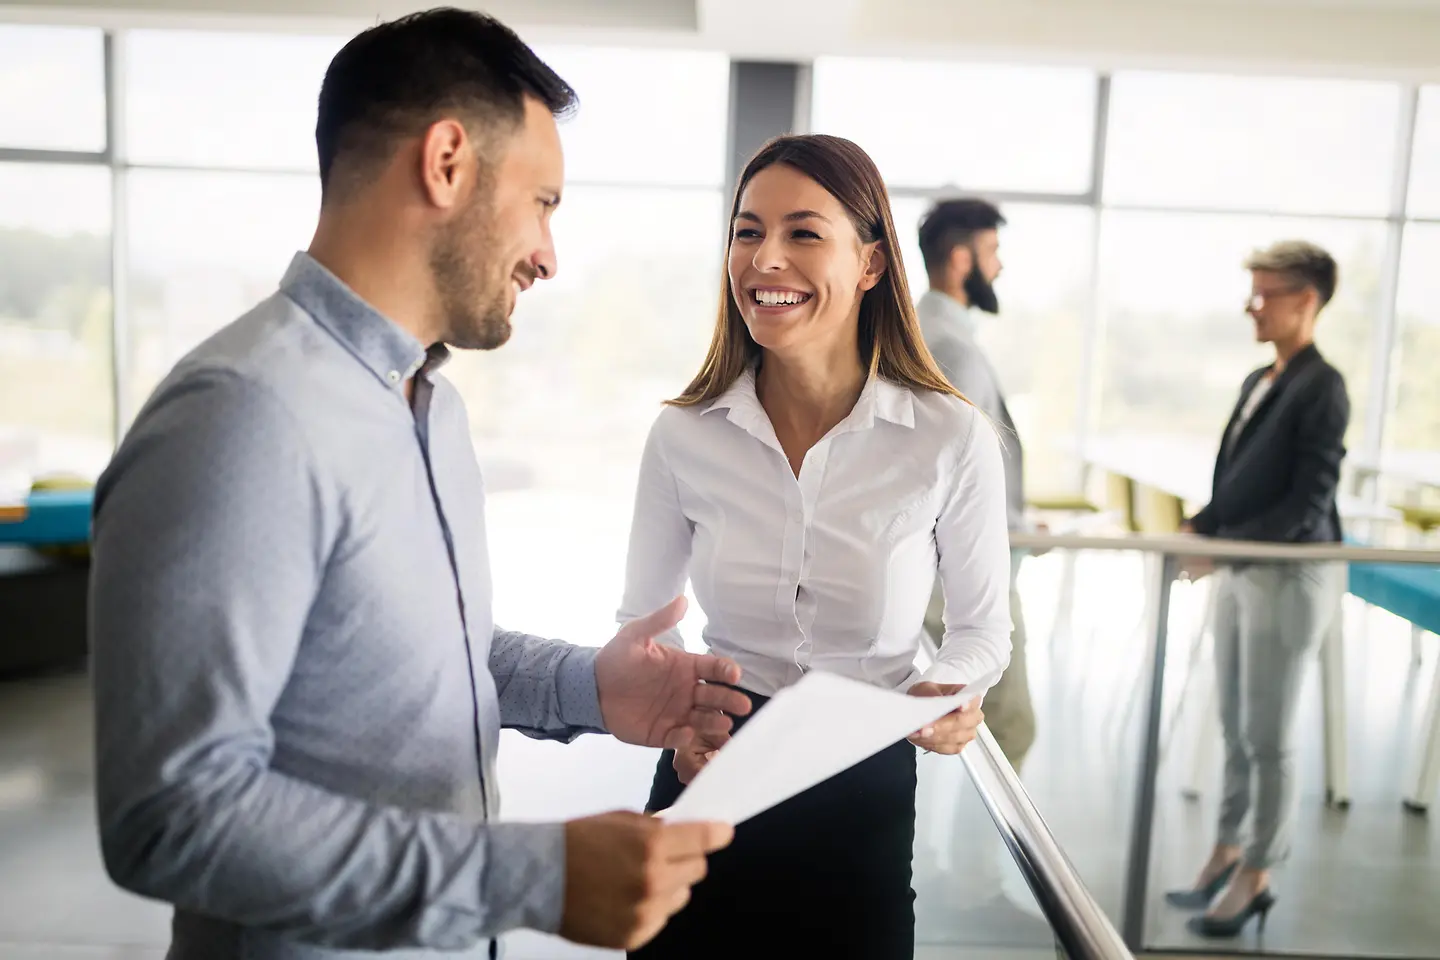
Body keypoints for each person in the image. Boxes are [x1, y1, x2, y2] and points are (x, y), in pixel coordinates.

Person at [87, 10, 749, 959]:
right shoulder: (238, 419)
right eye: (544, 203)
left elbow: (419, 654)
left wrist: (588, 688)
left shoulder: (430, 406)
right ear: (446, 162)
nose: (549, 255)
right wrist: (535, 877)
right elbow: (172, 815)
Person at [616, 134, 1013, 959]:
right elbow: (644, 626)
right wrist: (676, 720)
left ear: (870, 264)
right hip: (710, 768)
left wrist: (949, 691)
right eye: (747, 231)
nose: (766, 259)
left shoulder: (947, 436)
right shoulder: (684, 435)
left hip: (860, 789)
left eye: (803, 232)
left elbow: (982, 628)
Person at [1167, 240, 1350, 938]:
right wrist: (1203, 526)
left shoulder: (1322, 385)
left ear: (1306, 300)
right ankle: (1227, 849)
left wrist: (1224, 549)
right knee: (1237, 728)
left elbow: (1308, 501)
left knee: (1269, 734)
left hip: (1285, 571)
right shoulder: (1260, 378)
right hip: (1246, 566)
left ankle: (1259, 871)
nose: (1253, 306)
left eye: (1265, 294)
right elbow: (1241, 479)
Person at [915, 197, 1037, 771]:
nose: (1001, 268)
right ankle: (986, 860)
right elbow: (943, 473)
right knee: (1009, 730)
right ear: (961, 259)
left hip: (955, 563)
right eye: (992, 253)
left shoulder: (934, 330)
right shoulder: (950, 347)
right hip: (961, 574)